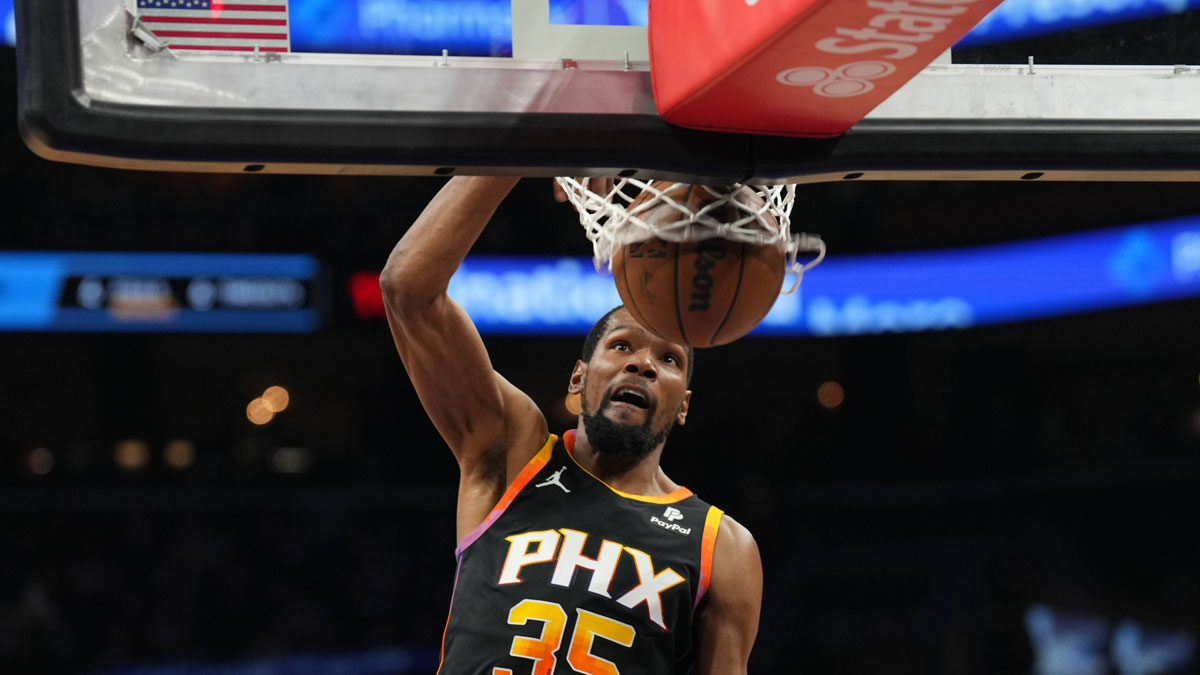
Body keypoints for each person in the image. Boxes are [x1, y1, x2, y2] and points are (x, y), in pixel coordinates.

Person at [380, 176, 763, 675]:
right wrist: (520, 155)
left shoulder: (722, 545)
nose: (642, 364)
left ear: (684, 404)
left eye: (668, 358)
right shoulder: (514, 452)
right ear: (579, 377)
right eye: (622, 345)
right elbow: (408, 287)